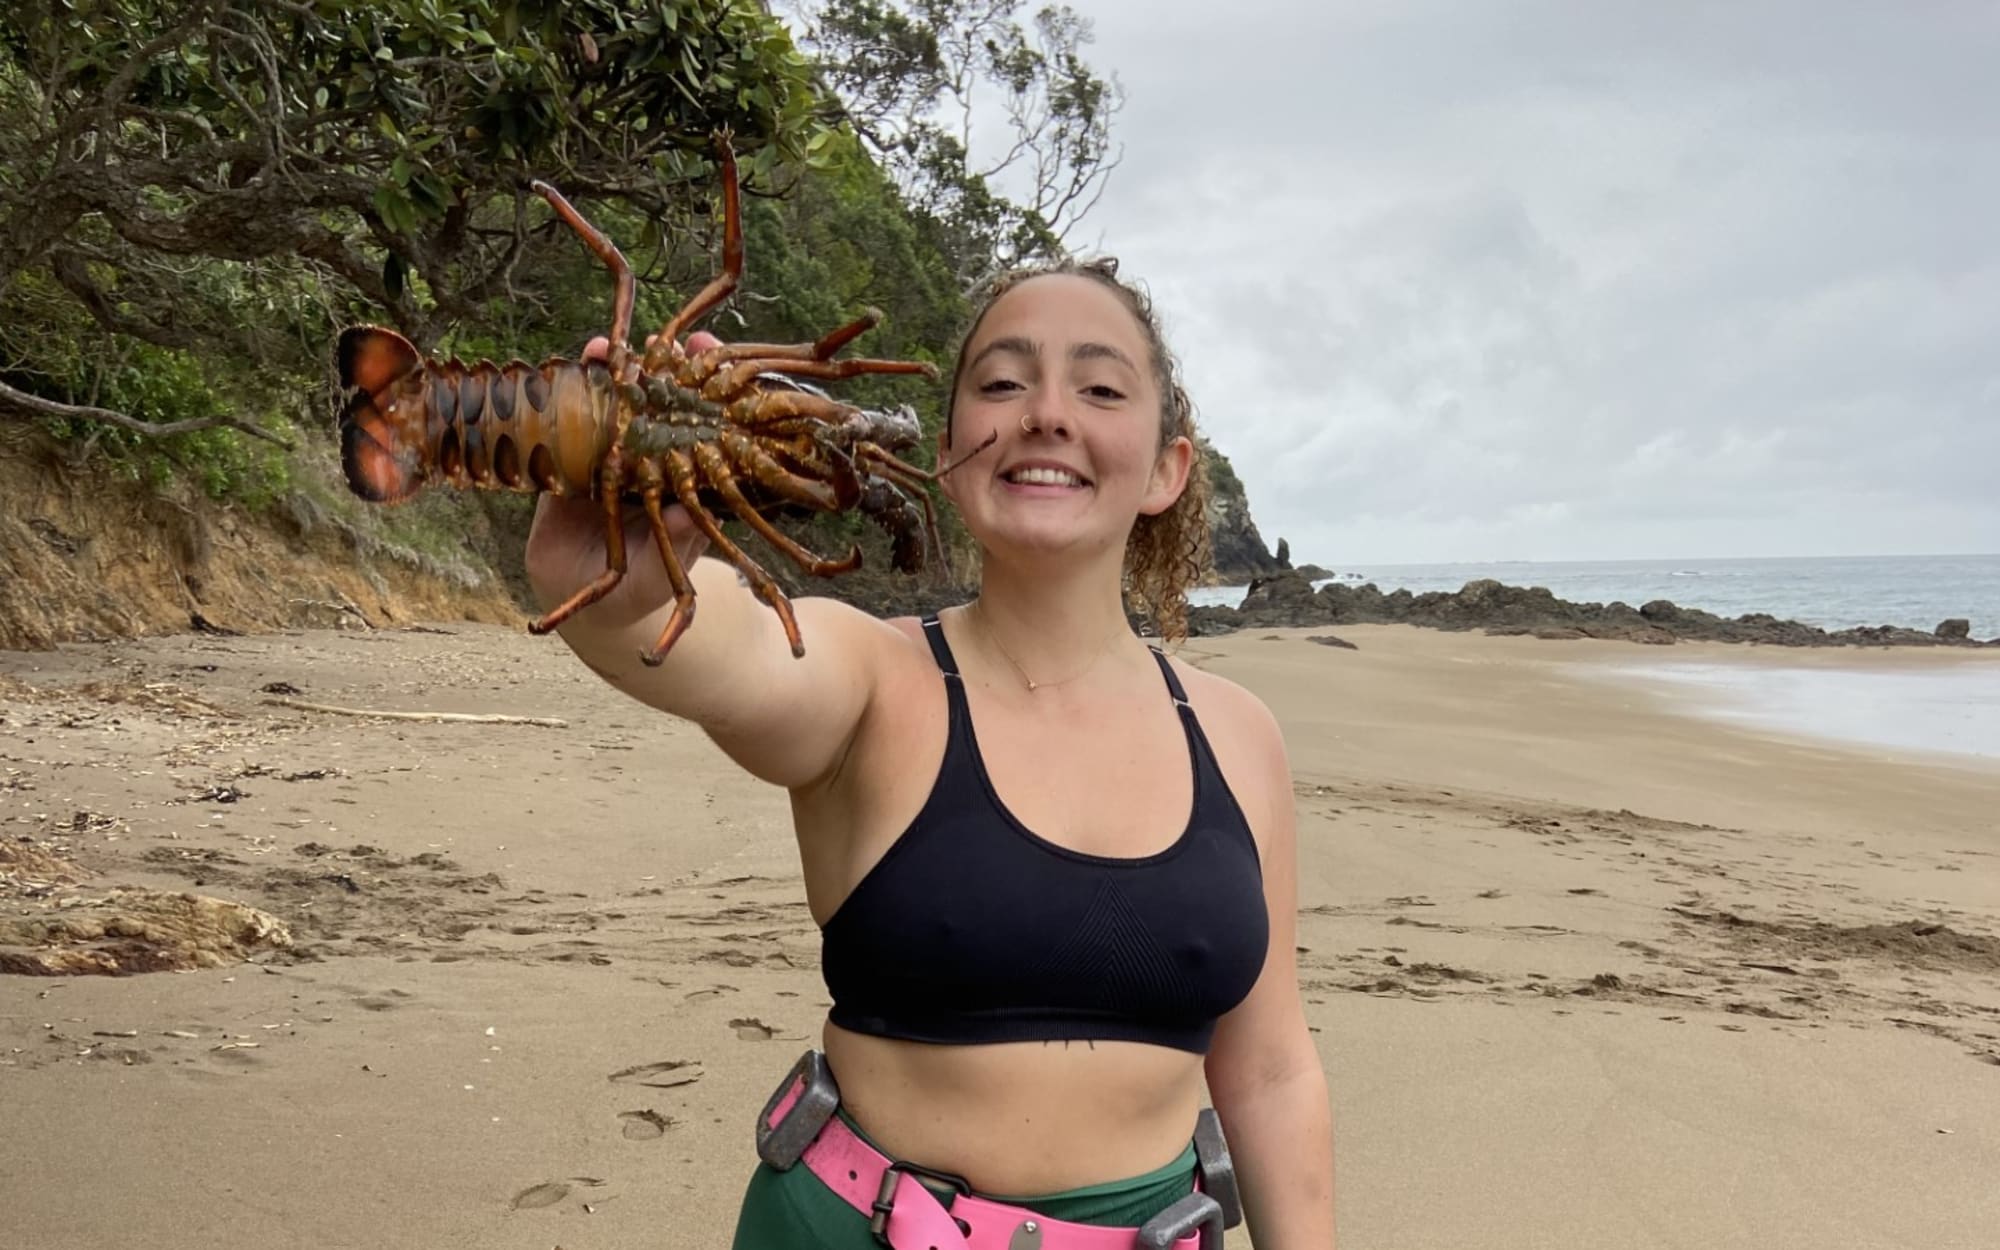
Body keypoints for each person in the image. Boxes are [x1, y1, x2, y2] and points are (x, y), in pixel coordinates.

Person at [528, 255, 1335, 1248]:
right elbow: (717, 651)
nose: (1045, 413)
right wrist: (616, 596)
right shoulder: (871, 675)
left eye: (1098, 387)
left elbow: (1267, 1068)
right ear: (947, 448)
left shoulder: (1236, 734)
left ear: (1167, 466)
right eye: (1002, 381)